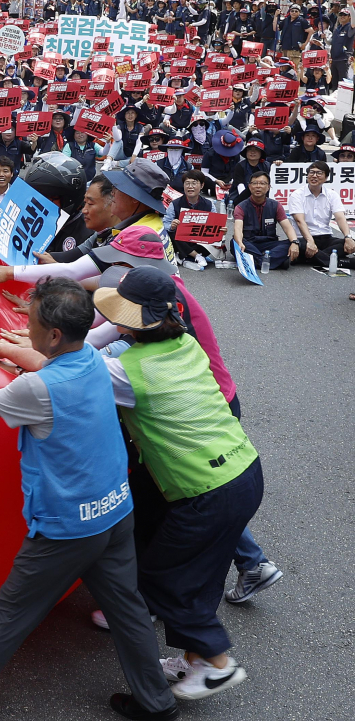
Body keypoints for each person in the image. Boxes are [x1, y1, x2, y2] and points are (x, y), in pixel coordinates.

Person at [0, 278, 179, 721]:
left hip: (68, 524)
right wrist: (7, 351)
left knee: (15, 607)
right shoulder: (95, 361)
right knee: (128, 609)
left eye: (32, 321)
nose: (27, 326)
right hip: (114, 509)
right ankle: (156, 702)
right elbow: (47, 365)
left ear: (55, 334)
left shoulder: (36, 391)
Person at [93, 266, 262, 701]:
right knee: (203, 575)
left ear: (134, 321)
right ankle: (196, 662)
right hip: (244, 471)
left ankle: (219, 663)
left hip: (204, 491)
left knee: (160, 578)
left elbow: (66, 371)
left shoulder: (126, 372)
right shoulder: (186, 343)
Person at [287, 161, 355, 268]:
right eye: (311, 172)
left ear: (326, 177)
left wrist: (348, 237)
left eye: (319, 173)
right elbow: (300, 221)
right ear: (307, 175)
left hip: (325, 238)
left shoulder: (332, 195)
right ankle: (342, 263)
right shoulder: (297, 195)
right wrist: (310, 241)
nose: (314, 176)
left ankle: (311, 258)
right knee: (301, 246)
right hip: (304, 238)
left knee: (351, 243)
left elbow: (340, 217)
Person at [233, 171, 300, 269]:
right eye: (254, 183)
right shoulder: (240, 207)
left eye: (262, 183)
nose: (258, 186)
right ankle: (271, 260)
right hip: (249, 243)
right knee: (234, 242)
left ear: (268, 187)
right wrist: (239, 242)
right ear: (249, 186)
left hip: (269, 244)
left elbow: (287, 227)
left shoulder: (276, 205)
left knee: (293, 243)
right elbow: (237, 229)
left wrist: (295, 242)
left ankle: (256, 261)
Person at [164, 170, 220, 269]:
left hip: (199, 240)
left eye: (194, 183)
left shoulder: (209, 204)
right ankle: (197, 256)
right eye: (187, 183)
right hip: (181, 241)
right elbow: (165, 224)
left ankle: (184, 256)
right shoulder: (175, 204)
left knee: (216, 235)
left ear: (202, 185)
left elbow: (215, 225)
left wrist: (221, 230)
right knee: (174, 231)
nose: (190, 186)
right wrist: (172, 226)